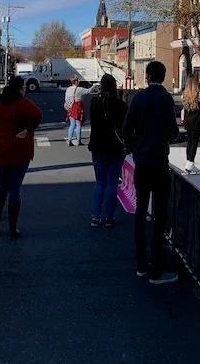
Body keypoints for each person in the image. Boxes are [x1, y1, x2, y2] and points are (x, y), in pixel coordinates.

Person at [122, 60, 180, 284]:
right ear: (163, 76)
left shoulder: (139, 98)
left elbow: (127, 128)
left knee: (140, 212)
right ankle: (156, 268)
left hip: (142, 161)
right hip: (158, 161)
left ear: (147, 76)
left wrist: (134, 148)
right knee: (159, 214)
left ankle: (140, 263)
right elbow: (173, 131)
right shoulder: (165, 98)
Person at [0, 81, 42, 238]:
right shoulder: (22, 103)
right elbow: (38, 115)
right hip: (19, 149)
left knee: (1, 188)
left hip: (0, 149)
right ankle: (12, 228)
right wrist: (28, 130)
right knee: (15, 188)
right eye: (23, 88)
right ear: (20, 89)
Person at [89, 74, 128, 227]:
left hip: (98, 146)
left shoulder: (95, 103)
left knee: (100, 182)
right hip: (116, 147)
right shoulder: (121, 105)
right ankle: (109, 217)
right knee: (112, 182)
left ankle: (95, 216)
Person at [181, 77, 200, 174]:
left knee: (189, 141)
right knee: (194, 142)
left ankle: (189, 162)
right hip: (196, 121)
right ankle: (190, 163)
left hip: (188, 121)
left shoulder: (184, 94)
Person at [63, 76, 86, 147]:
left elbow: (66, 99)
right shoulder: (79, 89)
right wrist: (94, 87)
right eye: (78, 81)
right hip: (77, 107)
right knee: (78, 124)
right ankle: (79, 141)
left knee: (72, 124)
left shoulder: (68, 89)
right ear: (75, 81)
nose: (78, 82)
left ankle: (69, 140)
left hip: (71, 107)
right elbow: (88, 91)